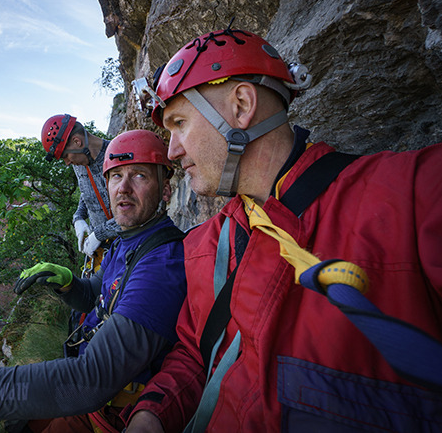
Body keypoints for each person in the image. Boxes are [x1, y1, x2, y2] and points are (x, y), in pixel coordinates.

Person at [124, 25, 442, 432]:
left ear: (241, 106)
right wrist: (151, 416)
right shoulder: (205, 244)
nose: (172, 151)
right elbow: (194, 353)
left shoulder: (408, 194)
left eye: (180, 123)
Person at [0, 129, 187, 433]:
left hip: (112, 413)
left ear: (165, 190)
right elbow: (96, 295)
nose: (123, 188)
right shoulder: (128, 241)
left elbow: (91, 379)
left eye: (139, 176)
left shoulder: (162, 264)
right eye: (115, 176)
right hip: (92, 405)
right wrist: (68, 282)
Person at [41, 114, 121, 261]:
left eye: (65, 156)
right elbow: (87, 192)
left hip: (130, 245)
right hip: (103, 251)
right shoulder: (79, 163)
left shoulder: (118, 157)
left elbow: (136, 214)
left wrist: (99, 234)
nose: (66, 163)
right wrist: (78, 217)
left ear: (77, 142)